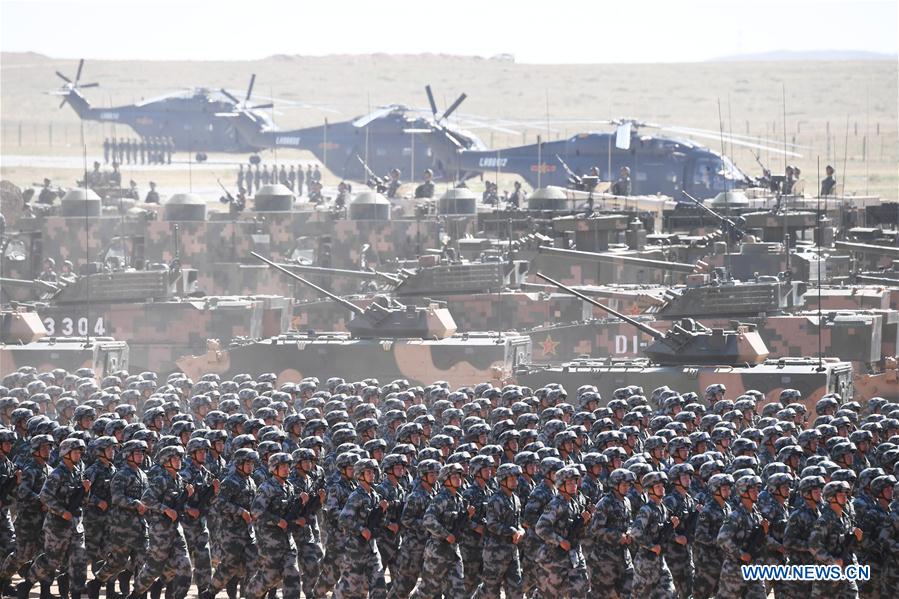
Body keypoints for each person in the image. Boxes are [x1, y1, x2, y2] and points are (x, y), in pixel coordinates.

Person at [16, 438, 90, 599]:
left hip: (75, 524)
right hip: (57, 525)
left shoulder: (77, 473)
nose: (79, 455)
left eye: (79, 452)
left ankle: (76, 593)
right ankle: (27, 584)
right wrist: (61, 511)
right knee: (51, 560)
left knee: (79, 560)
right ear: (66, 453)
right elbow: (45, 496)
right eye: (76, 452)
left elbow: (83, 501)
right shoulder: (57, 474)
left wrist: (86, 490)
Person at [244, 453, 301, 599]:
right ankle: (250, 595)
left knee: (293, 573)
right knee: (270, 576)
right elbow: (256, 511)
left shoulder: (289, 487)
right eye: (283, 466)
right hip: (269, 541)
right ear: (274, 468)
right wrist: (276, 520)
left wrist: (299, 516)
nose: (286, 469)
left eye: (288, 466)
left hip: (287, 540)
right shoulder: (266, 487)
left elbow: (289, 513)